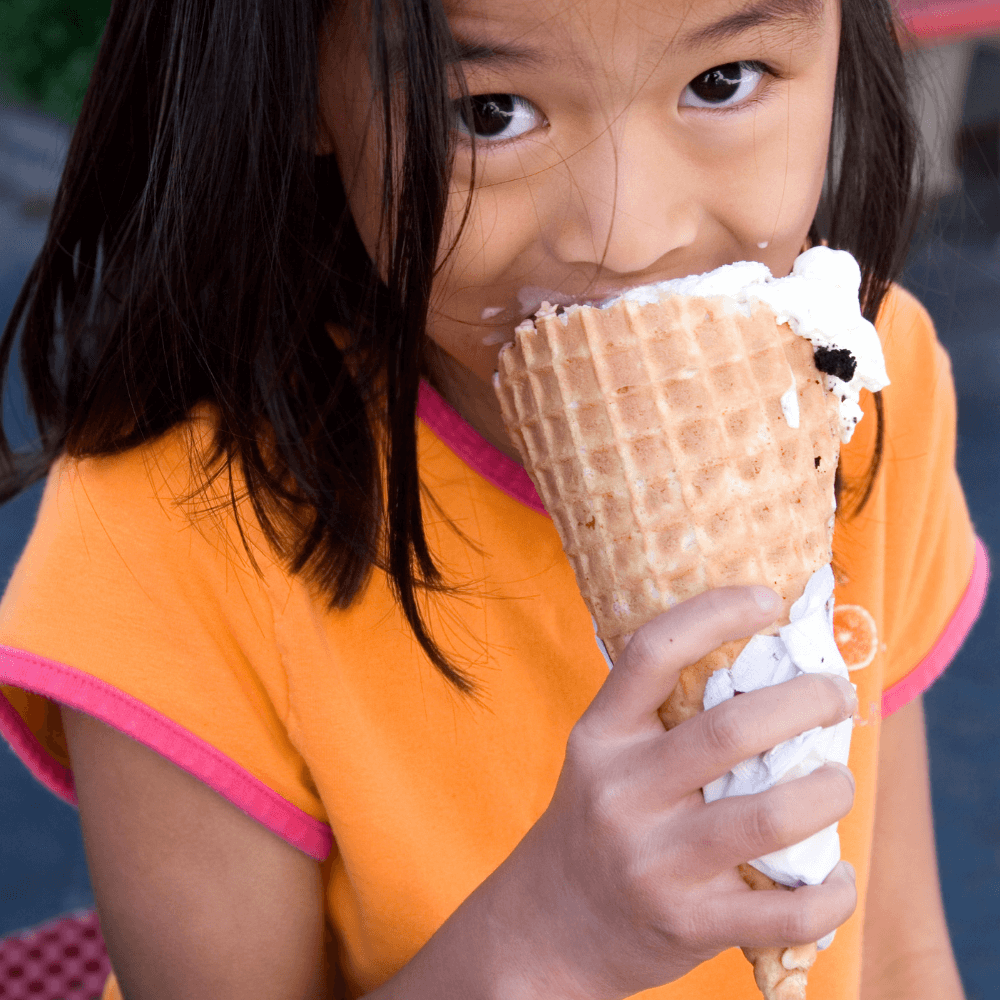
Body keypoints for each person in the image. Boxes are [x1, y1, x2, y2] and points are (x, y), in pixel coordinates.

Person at [0, 0, 989, 997]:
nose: (630, 235)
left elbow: (896, 951)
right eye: (490, 111)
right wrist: (544, 945)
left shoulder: (861, 378)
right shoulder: (164, 533)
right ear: (300, 78)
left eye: (721, 81)